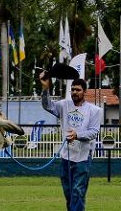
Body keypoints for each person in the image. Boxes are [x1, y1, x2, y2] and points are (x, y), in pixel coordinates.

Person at [41, 75, 102, 211]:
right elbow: (47, 106)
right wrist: (45, 89)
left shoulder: (94, 110)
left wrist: (77, 135)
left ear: (85, 92)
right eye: (73, 89)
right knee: (68, 193)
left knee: (78, 191)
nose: (74, 92)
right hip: (66, 157)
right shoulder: (64, 105)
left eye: (78, 90)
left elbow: (93, 132)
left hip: (83, 157)